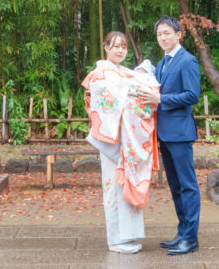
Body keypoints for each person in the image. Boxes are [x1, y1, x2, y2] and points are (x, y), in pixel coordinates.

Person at [81, 31, 161, 254]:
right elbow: (112, 101)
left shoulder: (126, 72)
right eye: (115, 46)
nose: (120, 50)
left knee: (126, 183)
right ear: (105, 47)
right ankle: (115, 239)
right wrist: (136, 92)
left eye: (123, 47)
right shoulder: (101, 73)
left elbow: (141, 95)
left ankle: (128, 235)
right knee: (113, 187)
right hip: (113, 139)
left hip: (129, 139)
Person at [153, 16, 201, 256]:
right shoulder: (162, 64)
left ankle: (191, 238)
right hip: (163, 133)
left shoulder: (187, 61)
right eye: (160, 34)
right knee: (175, 185)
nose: (163, 38)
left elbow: (192, 95)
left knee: (188, 185)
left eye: (167, 33)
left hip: (180, 133)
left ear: (179, 34)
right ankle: (182, 232)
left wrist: (161, 99)